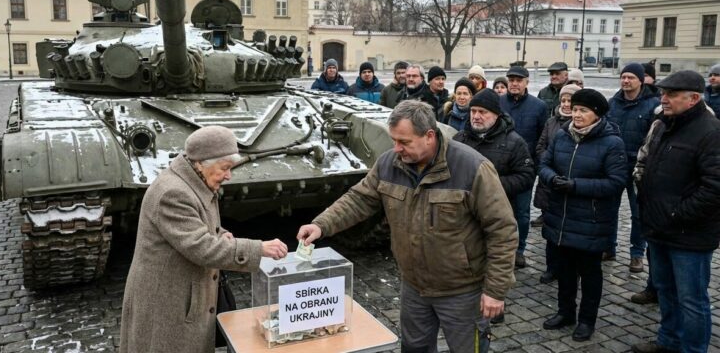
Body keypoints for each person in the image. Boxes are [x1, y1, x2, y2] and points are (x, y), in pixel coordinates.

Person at [297, 100, 518, 353]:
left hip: (462, 292)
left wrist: (495, 290)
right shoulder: (389, 163)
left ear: (429, 136)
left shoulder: (473, 168)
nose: (396, 148)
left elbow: (502, 231)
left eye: (404, 142)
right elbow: (360, 199)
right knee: (414, 348)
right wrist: (321, 225)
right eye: (394, 140)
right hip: (414, 288)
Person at [120, 126, 288, 353]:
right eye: (225, 168)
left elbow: (196, 226)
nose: (229, 175)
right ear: (202, 163)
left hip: (180, 295)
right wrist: (258, 249)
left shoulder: (194, 181)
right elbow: (201, 247)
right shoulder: (174, 193)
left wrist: (219, 233)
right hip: (166, 303)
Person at [631, 71, 720, 353]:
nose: (663, 99)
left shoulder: (711, 132)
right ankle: (668, 341)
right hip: (659, 228)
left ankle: (693, 350)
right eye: (662, 93)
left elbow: (714, 188)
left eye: (671, 94)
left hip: (689, 234)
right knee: (666, 291)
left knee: (692, 300)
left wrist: (676, 214)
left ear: (693, 98)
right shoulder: (663, 125)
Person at [539, 89, 628, 342]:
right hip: (561, 216)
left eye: (583, 111)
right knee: (564, 270)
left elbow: (616, 182)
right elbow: (544, 164)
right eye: (575, 109)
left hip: (592, 220)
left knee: (589, 274)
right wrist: (551, 178)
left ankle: (587, 320)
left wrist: (576, 186)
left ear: (596, 115)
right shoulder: (562, 136)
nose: (576, 114)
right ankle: (565, 312)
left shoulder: (612, 143)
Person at [453, 89, 534, 324]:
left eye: (482, 112)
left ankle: (495, 305)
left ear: (496, 115)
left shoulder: (513, 142)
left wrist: (493, 186)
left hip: (496, 215)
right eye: (473, 111)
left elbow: (527, 175)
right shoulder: (459, 140)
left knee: (495, 261)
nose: (476, 116)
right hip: (464, 218)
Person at [604, 63, 660, 269]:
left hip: (639, 168)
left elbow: (655, 138)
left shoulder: (653, 104)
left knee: (638, 213)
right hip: (615, 166)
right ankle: (608, 247)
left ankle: (637, 253)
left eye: (631, 78)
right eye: (623, 77)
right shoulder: (613, 103)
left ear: (641, 80)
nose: (626, 81)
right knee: (609, 209)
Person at [499, 65, 548, 268]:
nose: (514, 83)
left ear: (527, 82)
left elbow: (542, 139)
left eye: (519, 80)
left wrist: (535, 165)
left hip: (525, 169)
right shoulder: (499, 102)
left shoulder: (539, 106)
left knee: (522, 212)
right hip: (500, 166)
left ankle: (519, 249)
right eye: (511, 79)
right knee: (499, 211)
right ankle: (501, 249)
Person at [532, 84, 581, 283]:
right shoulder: (551, 122)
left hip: (571, 183)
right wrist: (551, 164)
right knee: (551, 230)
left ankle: (571, 269)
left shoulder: (580, 125)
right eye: (564, 100)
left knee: (571, 231)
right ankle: (552, 268)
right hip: (551, 181)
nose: (567, 104)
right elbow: (541, 147)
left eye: (571, 101)